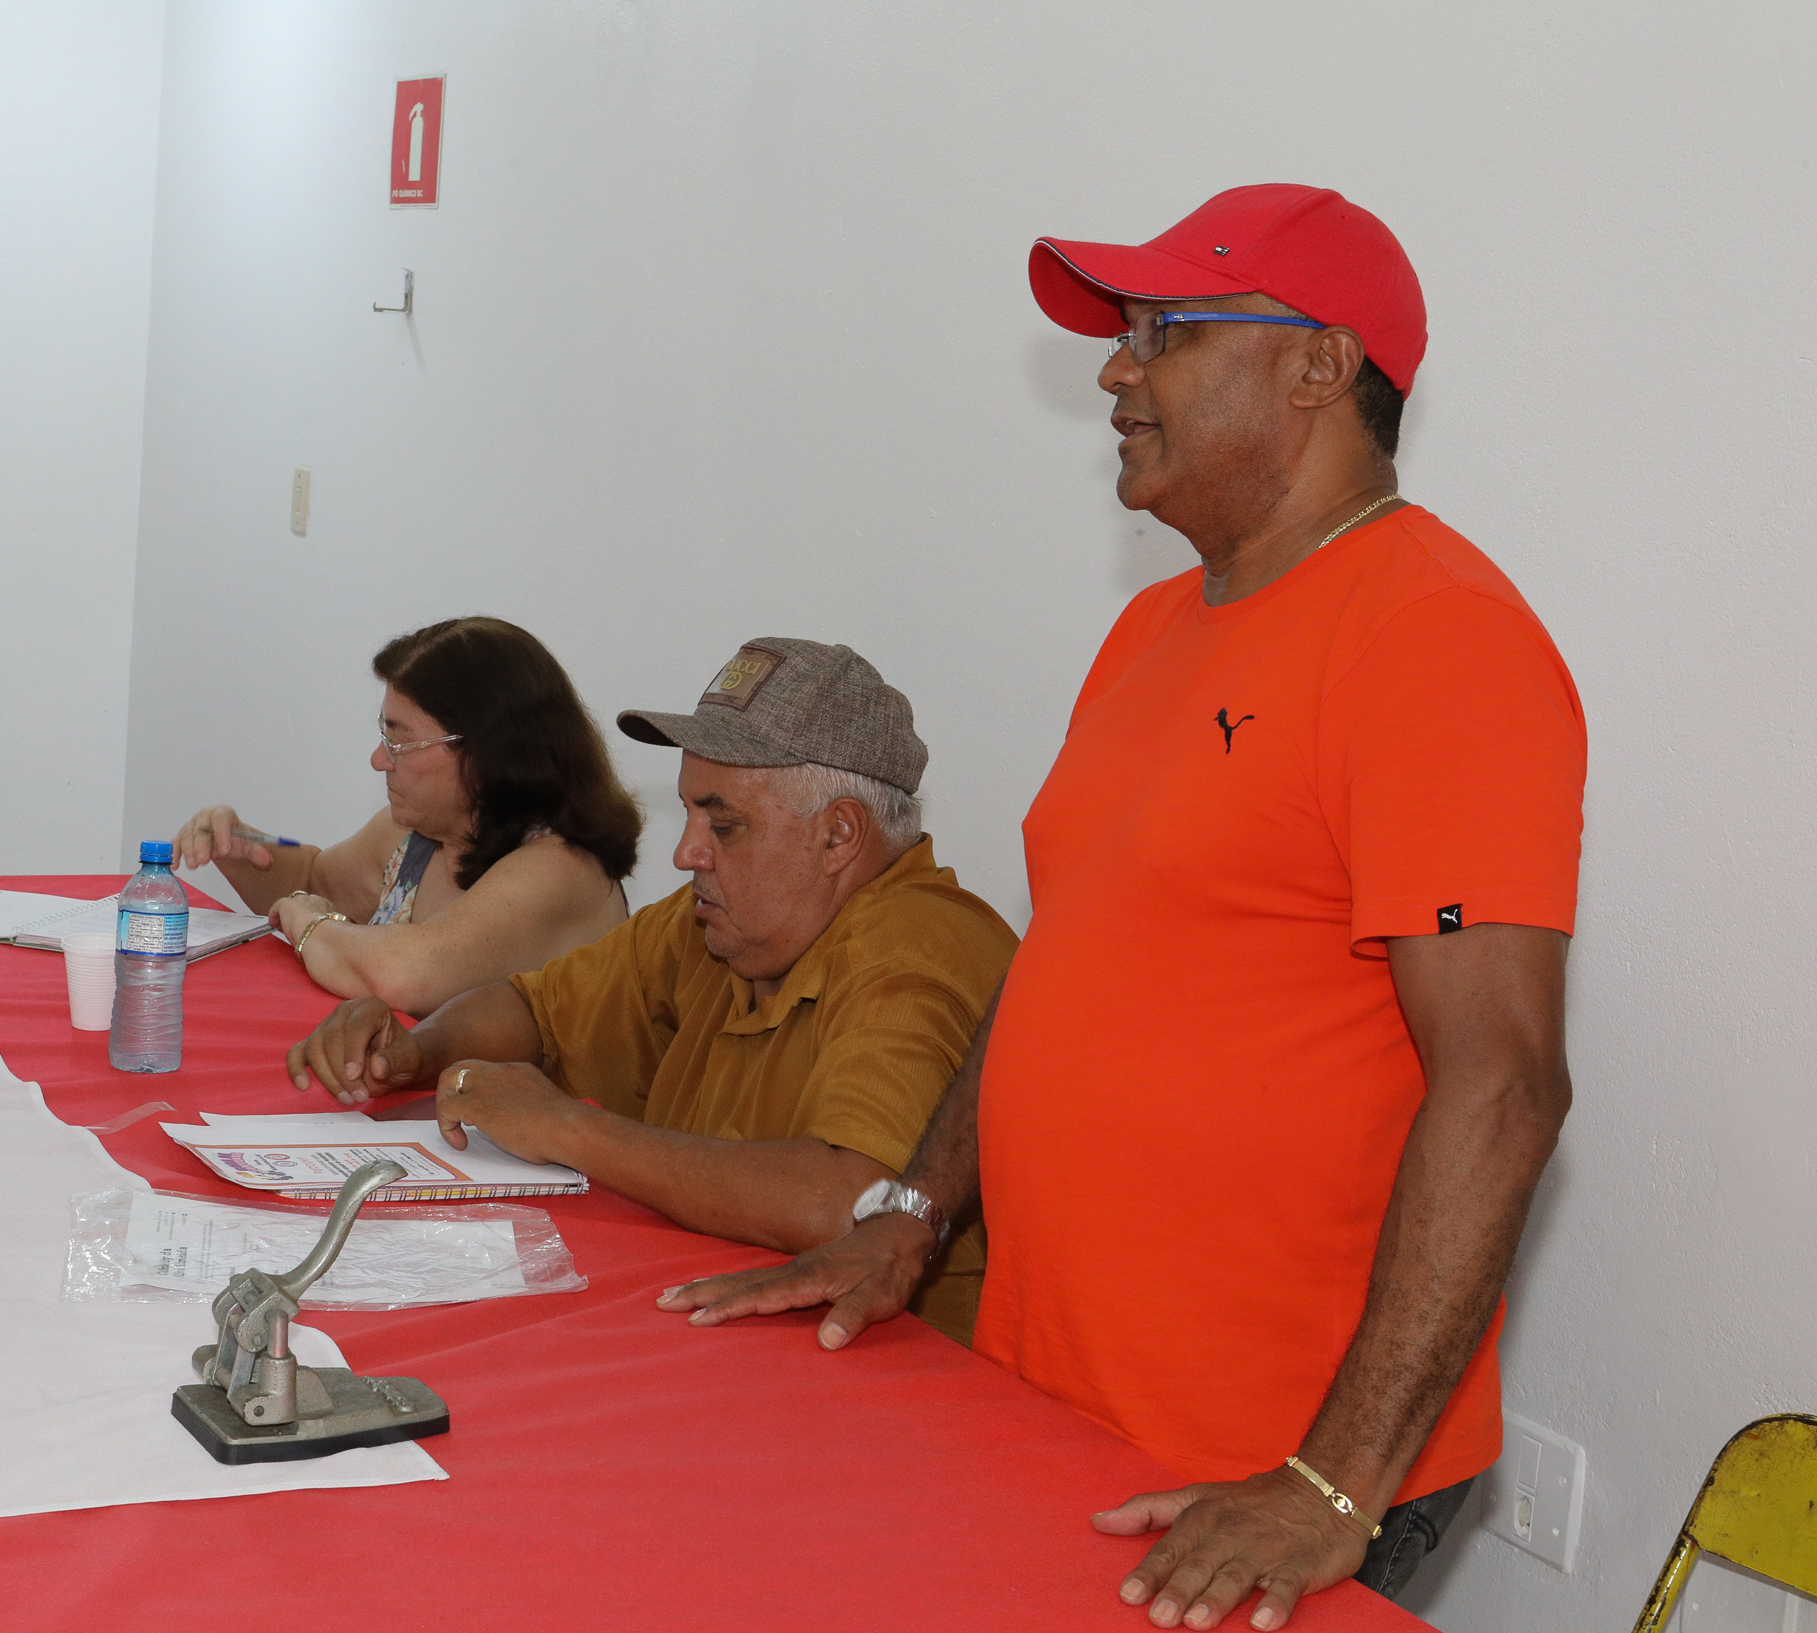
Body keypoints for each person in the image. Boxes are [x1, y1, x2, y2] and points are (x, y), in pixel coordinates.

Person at [662, 186, 1585, 1629]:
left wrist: (1332, 1485)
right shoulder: (1153, 629)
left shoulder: (1433, 635)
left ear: (1319, 363)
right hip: (1063, 1398)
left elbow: (1507, 1083)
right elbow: (1070, 968)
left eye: (1161, 332)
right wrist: (911, 1210)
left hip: (1267, 1465)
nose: (1113, 370)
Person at [285, 637, 1018, 1345]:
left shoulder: (915, 949)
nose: (684, 851)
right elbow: (537, 1008)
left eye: (722, 823)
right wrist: (414, 1049)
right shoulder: (724, 918)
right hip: (724, 1325)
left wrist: (566, 1127)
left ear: (838, 836)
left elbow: (852, 1201)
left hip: (880, 1380)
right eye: (691, 812)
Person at [176, 617, 638, 1017]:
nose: (379, 759)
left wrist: (310, 923)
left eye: (399, 741)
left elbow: (401, 974)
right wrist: (238, 845)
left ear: (485, 750)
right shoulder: (411, 834)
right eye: (384, 734)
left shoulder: (561, 868)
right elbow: (315, 885)